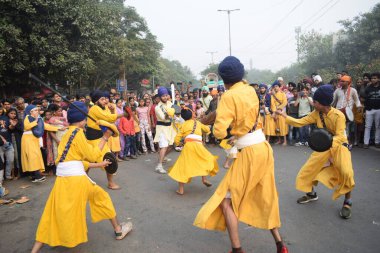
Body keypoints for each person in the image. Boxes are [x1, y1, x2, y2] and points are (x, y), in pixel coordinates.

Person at [194, 56, 288, 253]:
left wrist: (217, 126)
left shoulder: (227, 96)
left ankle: (237, 250)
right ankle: (280, 244)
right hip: (263, 148)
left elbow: (219, 131)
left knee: (226, 202)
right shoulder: (250, 90)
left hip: (248, 154)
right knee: (266, 196)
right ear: (242, 73)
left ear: (223, 79)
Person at [31, 102, 132, 253]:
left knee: (53, 212)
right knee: (102, 198)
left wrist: (100, 164)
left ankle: (34, 250)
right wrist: (105, 137)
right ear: (81, 120)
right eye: (85, 119)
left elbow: (71, 160)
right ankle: (118, 230)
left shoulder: (67, 134)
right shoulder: (78, 134)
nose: (85, 122)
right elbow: (91, 156)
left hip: (62, 180)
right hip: (77, 180)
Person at [276, 84, 355, 219]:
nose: (313, 103)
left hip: (339, 146)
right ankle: (311, 194)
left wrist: (330, 150)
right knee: (308, 170)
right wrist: (284, 116)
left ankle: (347, 201)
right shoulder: (316, 113)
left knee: (346, 173)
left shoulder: (338, 116)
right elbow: (300, 122)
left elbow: (341, 136)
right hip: (323, 147)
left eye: (316, 102)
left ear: (323, 103)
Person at [168, 107, 219, 195]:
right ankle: (204, 179)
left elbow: (177, 139)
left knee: (182, 167)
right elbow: (207, 130)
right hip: (198, 145)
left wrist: (179, 144)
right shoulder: (198, 123)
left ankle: (181, 190)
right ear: (192, 115)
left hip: (188, 146)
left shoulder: (183, 125)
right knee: (204, 160)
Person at [86, 90, 122, 190]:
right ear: (96, 101)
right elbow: (108, 118)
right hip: (92, 138)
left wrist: (112, 110)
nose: (105, 101)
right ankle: (110, 183)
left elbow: (111, 118)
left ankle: (110, 182)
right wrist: (123, 114)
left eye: (106, 98)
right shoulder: (94, 109)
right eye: (102, 99)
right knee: (105, 159)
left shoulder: (104, 107)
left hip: (99, 138)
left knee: (105, 158)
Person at [21, 105, 60, 182]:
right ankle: (37, 175)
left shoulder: (39, 119)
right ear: (30, 112)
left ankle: (34, 175)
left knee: (35, 157)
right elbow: (26, 126)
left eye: (37, 110)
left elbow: (46, 126)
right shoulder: (28, 117)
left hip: (34, 140)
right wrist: (35, 121)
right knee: (32, 157)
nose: (37, 111)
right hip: (28, 140)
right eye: (35, 110)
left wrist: (58, 128)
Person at [332, 75, 362, 146]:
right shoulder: (337, 90)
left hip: (348, 113)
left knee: (346, 128)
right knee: (339, 128)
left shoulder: (353, 90)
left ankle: (346, 142)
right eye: (340, 81)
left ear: (348, 82)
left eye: (343, 81)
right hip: (338, 112)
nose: (340, 82)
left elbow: (357, 101)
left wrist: (359, 107)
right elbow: (333, 101)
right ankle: (341, 142)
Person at [153, 87, 177, 174]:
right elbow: (163, 118)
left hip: (170, 128)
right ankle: (159, 165)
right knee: (164, 146)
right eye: (163, 96)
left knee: (172, 145)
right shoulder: (157, 107)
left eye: (166, 95)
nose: (165, 97)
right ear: (159, 97)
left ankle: (163, 157)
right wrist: (169, 113)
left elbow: (175, 114)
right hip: (162, 128)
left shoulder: (170, 103)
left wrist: (176, 110)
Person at [363, 72, 380, 148]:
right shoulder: (368, 88)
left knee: (378, 126)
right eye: (372, 78)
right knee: (367, 126)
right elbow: (365, 99)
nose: (373, 79)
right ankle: (366, 143)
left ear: (378, 79)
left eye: (375, 78)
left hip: (379, 110)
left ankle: (377, 142)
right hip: (369, 110)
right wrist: (364, 110)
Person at [270, 81, 288, 145]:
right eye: (274, 87)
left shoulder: (283, 93)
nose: (275, 88)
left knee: (283, 126)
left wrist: (279, 108)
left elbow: (285, 102)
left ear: (279, 87)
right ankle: (279, 140)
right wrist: (275, 111)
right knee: (277, 127)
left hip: (282, 112)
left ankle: (285, 141)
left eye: (277, 86)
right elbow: (272, 104)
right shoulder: (272, 95)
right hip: (276, 112)